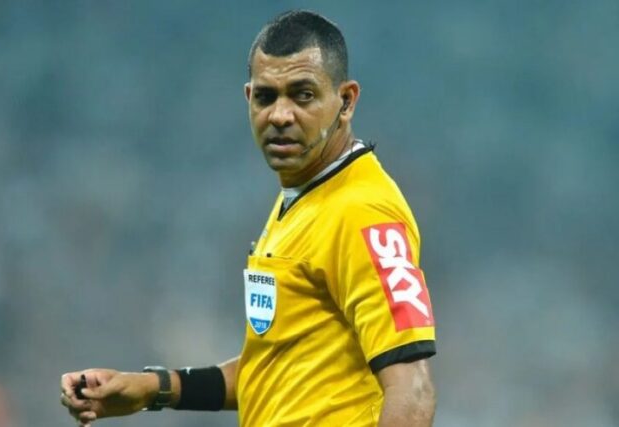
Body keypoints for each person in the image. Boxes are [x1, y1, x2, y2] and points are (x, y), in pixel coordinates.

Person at [61, 10, 437, 427]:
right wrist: (152, 388)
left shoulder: (363, 211)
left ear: (346, 101)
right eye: (266, 96)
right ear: (248, 98)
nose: (279, 115)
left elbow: (413, 391)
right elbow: (272, 371)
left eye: (303, 95)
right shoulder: (303, 196)